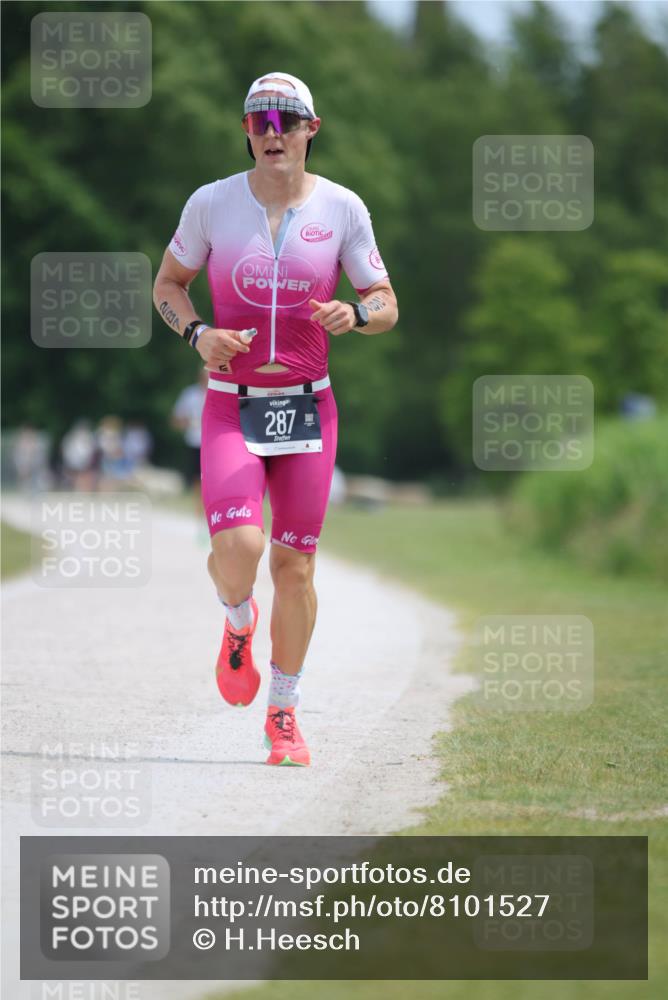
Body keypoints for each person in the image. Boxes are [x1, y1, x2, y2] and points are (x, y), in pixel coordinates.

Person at [153, 72, 398, 766]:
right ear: (246, 131)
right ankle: (237, 622)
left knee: (295, 567)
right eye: (259, 120)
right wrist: (198, 333)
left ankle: (284, 713)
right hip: (232, 406)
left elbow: (385, 301)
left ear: (311, 130)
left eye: (286, 120)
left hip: (308, 407)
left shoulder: (344, 209)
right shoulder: (211, 205)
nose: (272, 132)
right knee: (241, 551)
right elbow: (168, 284)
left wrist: (357, 314)